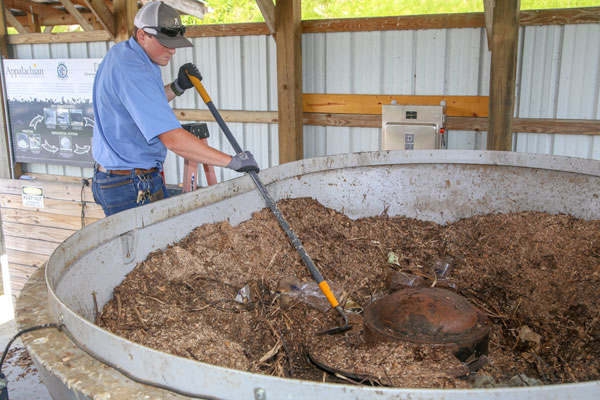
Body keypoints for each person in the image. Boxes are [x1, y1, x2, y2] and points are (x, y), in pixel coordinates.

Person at [91, 1, 259, 217]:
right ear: (142, 35)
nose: (172, 50)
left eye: (174, 42)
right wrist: (233, 161)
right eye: (164, 42)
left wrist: (177, 86)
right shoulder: (134, 69)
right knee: (148, 250)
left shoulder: (124, 55)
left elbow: (143, 107)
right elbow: (173, 139)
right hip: (131, 185)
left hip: (117, 177)